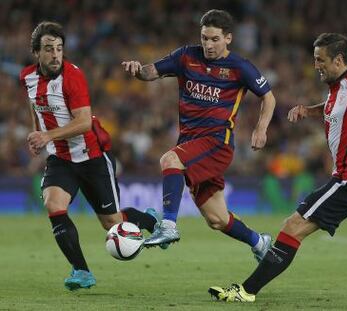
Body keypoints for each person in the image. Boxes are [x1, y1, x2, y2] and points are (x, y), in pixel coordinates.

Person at [208, 32, 347, 302]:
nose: (315, 65)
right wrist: (309, 110)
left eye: (320, 60)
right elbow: (336, 108)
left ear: (338, 60)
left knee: (292, 227)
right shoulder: (337, 86)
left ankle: (246, 291)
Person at [122, 9, 276, 261]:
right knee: (217, 219)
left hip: (217, 143)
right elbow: (151, 72)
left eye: (214, 39)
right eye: (204, 38)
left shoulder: (240, 67)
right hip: (191, 144)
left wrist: (261, 129)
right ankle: (259, 242)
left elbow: (268, 97)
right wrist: (137, 69)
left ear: (228, 38)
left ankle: (168, 226)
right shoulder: (186, 56)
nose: (208, 44)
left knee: (169, 160)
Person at [21, 21, 162, 291]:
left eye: (59, 49)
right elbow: (34, 104)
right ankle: (82, 271)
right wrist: (37, 134)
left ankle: (150, 221)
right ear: (36, 53)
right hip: (60, 159)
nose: (55, 55)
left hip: (92, 156)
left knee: (111, 223)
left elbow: (84, 122)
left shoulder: (73, 76)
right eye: (48, 49)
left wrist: (47, 136)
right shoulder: (27, 77)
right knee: (54, 204)